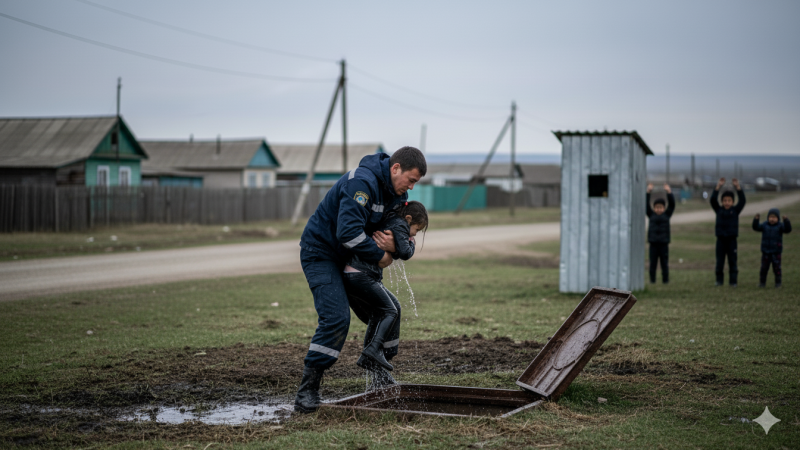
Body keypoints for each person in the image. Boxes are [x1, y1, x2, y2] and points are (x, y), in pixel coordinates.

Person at [293, 146, 426, 414]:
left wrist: (395, 244)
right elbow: (348, 233)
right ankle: (308, 391)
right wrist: (381, 255)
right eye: (411, 180)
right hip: (322, 254)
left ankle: (379, 379)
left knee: (390, 311)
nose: (411, 187)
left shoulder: (396, 195)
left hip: (352, 260)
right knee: (336, 318)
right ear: (395, 168)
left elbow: (401, 235)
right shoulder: (361, 183)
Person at [344, 201, 429, 375]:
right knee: (389, 311)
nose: (415, 234)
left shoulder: (392, 220)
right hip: (360, 274)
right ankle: (373, 350)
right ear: (408, 219)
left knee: (391, 308)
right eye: (417, 229)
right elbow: (405, 252)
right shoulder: (400, 226)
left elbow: (397, 249)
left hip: (358, 273)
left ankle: (380, 358)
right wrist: (411, 242)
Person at [710, 177, 746, 287]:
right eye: (725, 200)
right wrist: (718, 187)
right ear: (722, 201)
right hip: (720, 240)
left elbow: (743, 201)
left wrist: (738, 188)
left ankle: (733, 281)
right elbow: (712, 200)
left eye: (729, 200)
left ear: (732, 201)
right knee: (719, 262)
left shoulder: (735, 211)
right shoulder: (719, 210)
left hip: (731, 240)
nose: (726, 202)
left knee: (732, 261)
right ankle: (719, 281)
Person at [752, 209, 791, 288]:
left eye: (774, 217)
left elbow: (788, 230)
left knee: (777, 269)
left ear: (778, 218)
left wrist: (786, 221)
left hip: (776, 252)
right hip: (766, 252)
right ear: (768, 217)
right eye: (770, 217)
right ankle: (762, 283)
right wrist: (756, 220)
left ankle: (778, 283)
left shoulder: (780, 226)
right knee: (764, 269)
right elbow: (756, 227)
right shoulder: (764, 225)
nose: (772, 219)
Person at [646, 183, 675, 284]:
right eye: (657, 207)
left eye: (661, 207)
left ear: (664, 208)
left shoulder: (667, 215)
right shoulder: (651, 215)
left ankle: (665, 280)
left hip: (663, 244)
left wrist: (669, 192)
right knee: (652, 264)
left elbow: (672, 204)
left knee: (664, 263)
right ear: (654, 208)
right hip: (653, 244)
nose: (659, 209)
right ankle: (652, 280)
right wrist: (648, 192)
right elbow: (646, 204)